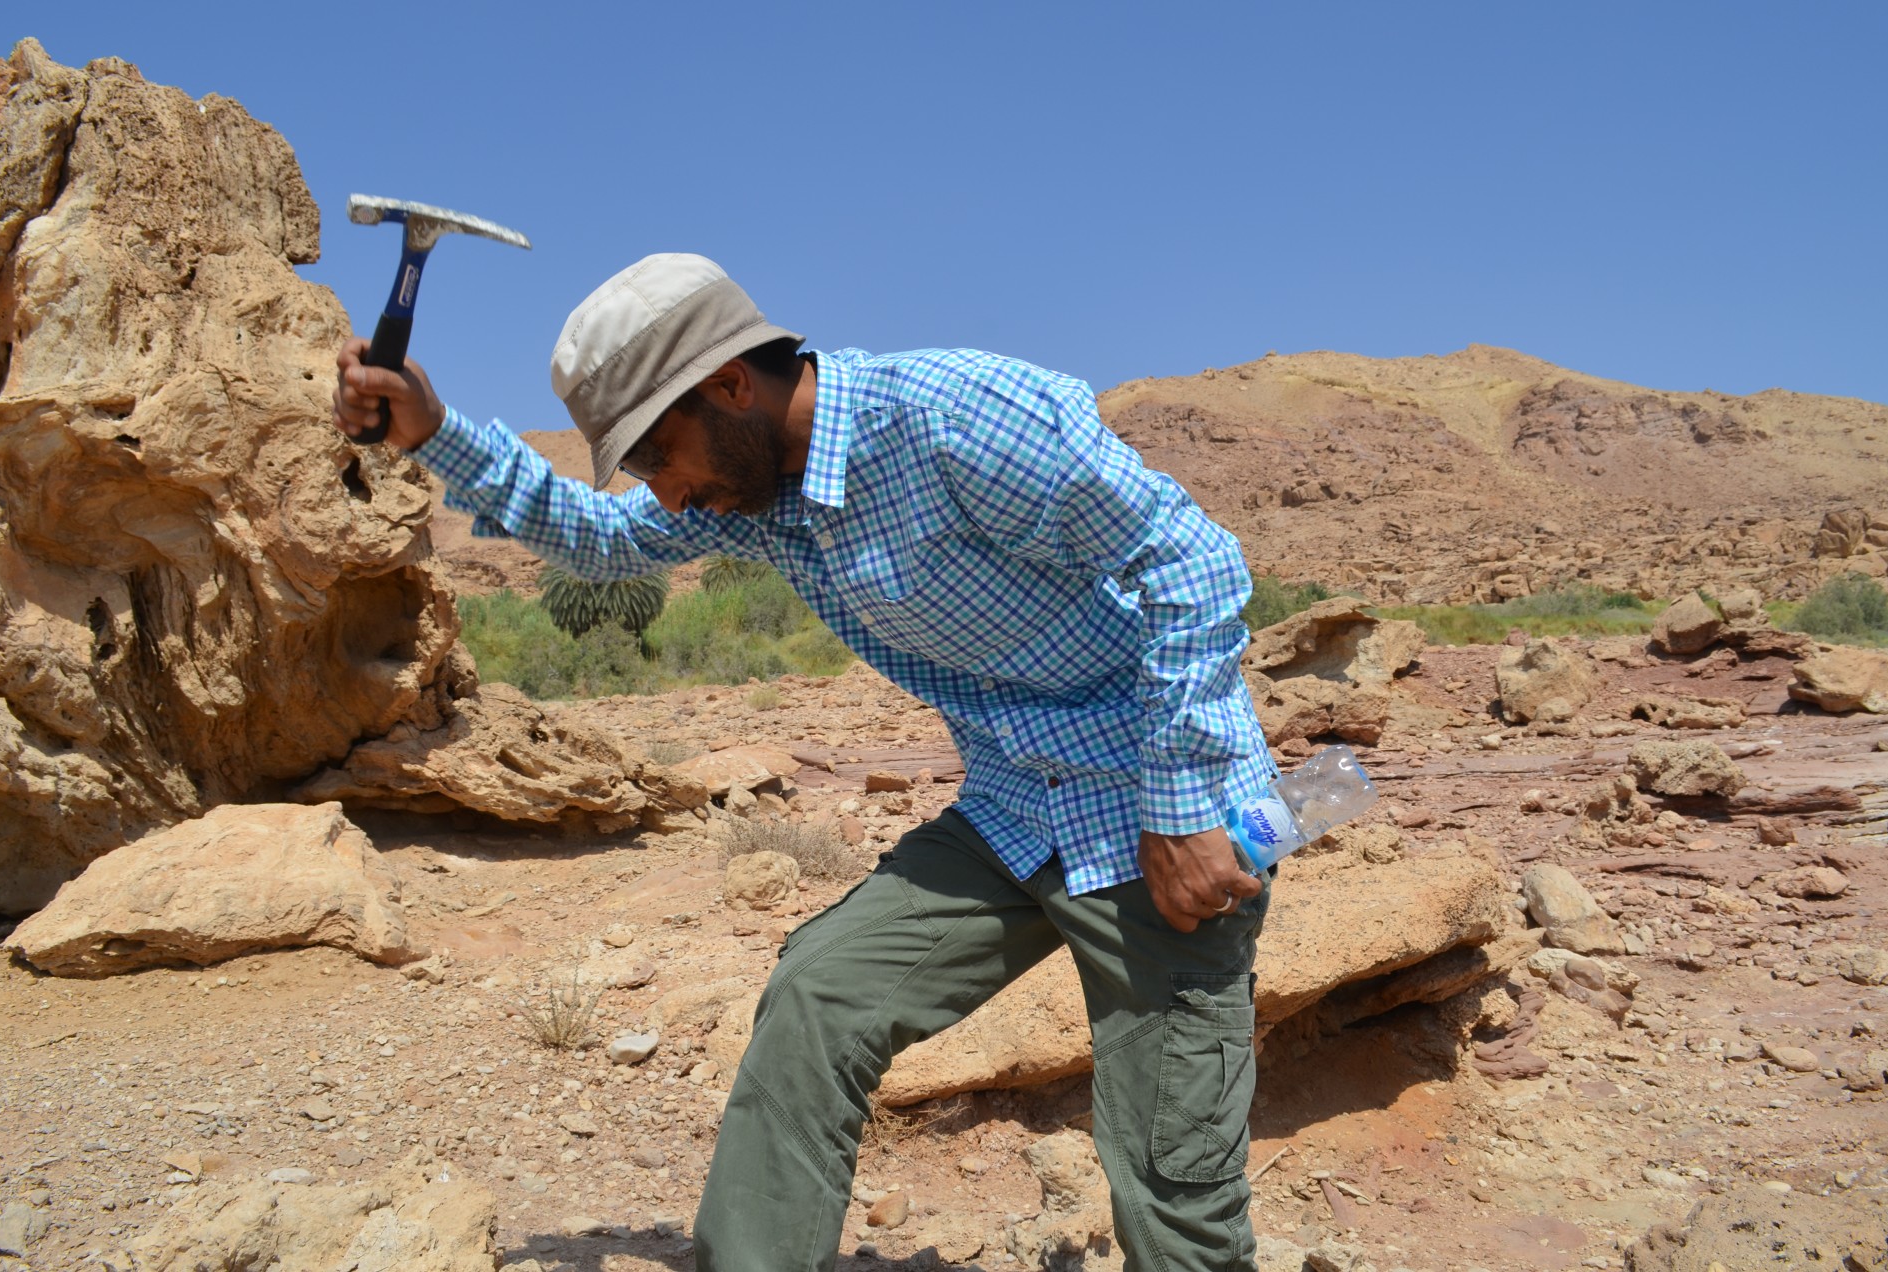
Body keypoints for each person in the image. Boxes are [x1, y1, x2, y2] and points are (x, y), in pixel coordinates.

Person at [331, 253, 1277, 1271]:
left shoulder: (954, 416)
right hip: (1015, 807)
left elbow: (1193, 559)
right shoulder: (764, 495)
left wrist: (1180, 808)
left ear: (732, 385)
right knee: (819, 994)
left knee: (1172, 1177)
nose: (673, 498)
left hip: (1161, 819)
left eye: (661, 458)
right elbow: (602, 540)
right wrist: (437, 433)